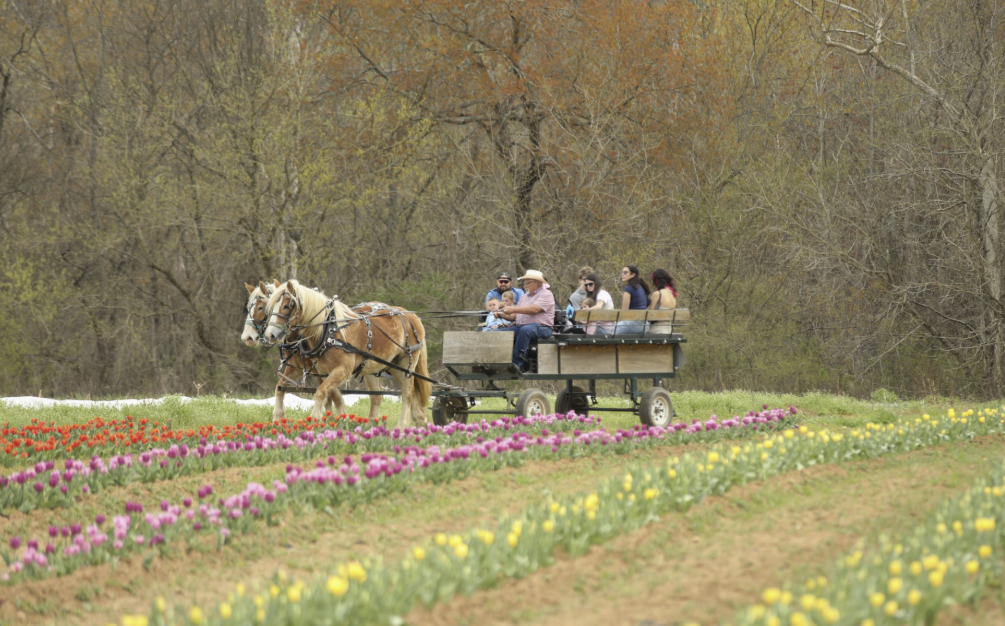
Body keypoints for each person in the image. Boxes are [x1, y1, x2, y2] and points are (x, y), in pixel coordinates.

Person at [494, 270, 555, 371]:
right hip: (521, 327)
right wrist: (501, 314)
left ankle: (517, 363)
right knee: (497, 333)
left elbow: (534, 309)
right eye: (524, 283)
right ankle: (496, 362)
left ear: (536, 282)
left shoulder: (546, 294)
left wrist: (512, 309)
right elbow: (514, 317)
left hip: (543, 328)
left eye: (527, 283)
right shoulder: (524, 296)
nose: (525, 286)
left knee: (525, 330)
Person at [617, 265, 651, 335]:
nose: (622, 274)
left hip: (633, 324)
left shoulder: (628, 289)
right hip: (645, 325)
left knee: (609, 333)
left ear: (633, 275)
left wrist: (618, 323)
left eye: (625, 272)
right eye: (622, 272)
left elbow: (624, 311)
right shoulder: (641, 287)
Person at [648, 269, 678, 335]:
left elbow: (649, 314)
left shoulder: (657, 294)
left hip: (656, 330)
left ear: (656, 280)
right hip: (668, 330)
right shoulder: (672, 293)